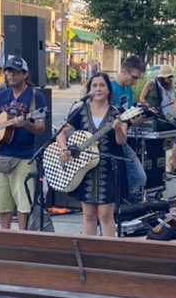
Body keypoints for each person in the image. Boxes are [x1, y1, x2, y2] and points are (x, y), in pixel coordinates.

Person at [0, 55, 46, 230]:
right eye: (8, 71)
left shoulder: (35, 97)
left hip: (24, 157)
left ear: (25, 74)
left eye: (15, 72)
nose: (11, 75)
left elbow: (40, 127)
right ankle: (5, 238)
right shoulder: (0, 96)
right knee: (1, 203)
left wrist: (25, 123)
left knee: (23, 204)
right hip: (0, 155)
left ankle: (22, 239)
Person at [54, 72, 128, 237]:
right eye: (94, 85)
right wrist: (63, 148)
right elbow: (60, 132)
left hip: (108, 169)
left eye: (102, 85)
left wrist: (117, 128)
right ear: (89, 90)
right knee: (88, 215)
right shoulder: (80, 111)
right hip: (84, 169)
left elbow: (121, 141)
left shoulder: (118, 112)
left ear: (109, 90)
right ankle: (88, 255)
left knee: (105, 215)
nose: (98, 89)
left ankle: (107, 257)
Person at [109, 55, 147, 201]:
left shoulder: (129, 92)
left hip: (122, 137)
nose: (135, 81)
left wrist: (141, 117)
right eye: (134, 77)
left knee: (138, 176)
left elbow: (127, 117)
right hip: (108, 138)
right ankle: (117, 201)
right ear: (124, 71)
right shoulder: (109, 88)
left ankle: (122, 199)